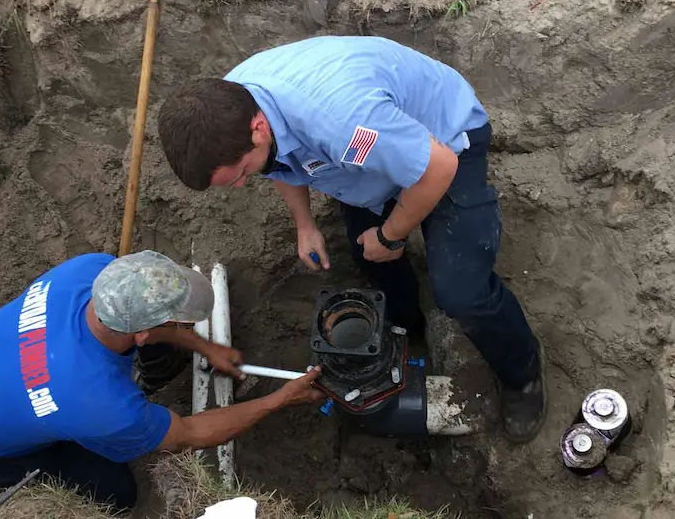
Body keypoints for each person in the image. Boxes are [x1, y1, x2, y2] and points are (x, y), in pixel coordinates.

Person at [157, 35, 546, 443]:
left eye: (238, 174)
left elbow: (437, 168)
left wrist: (392, 235)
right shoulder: (233, 103)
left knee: (461, 292)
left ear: (258, 129)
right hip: (367, 159)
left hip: (444, 142)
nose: (239, 185)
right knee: (366, 255)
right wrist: (304, 223)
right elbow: (274, 162)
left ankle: (523, 375)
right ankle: (405, 326)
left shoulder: (341, 122)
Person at [0, 250, 324, 511]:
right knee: (118, 493)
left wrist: (204, 346)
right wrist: (279, 399)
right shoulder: (102, 405)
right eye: (175, 320)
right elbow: (187, 433)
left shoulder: (91, 270)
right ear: (141, 333)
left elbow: (148, 322)